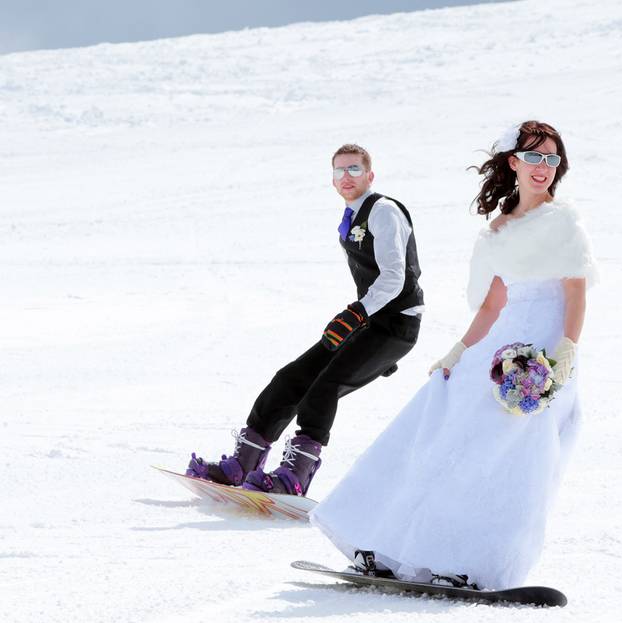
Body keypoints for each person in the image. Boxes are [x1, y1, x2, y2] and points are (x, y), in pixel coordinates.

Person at [309, 121, 597, 590]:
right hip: (501, 344)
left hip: (544, 352)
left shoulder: (563, 221)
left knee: (506, 458)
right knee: (438, 429)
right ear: (513, 162)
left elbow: (575, 295)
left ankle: (474, 563)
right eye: (534, 156)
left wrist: (564, 351)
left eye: (551, 158)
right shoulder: (501, 227)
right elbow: (491, 304)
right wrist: (460, 350)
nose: (543, 167)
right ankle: (389, 547)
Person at [186, 144, 425, 497]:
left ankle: (294, 477)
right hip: (369, 322)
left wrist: (363, 320)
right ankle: (243, 464)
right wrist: (362, 332)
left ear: (370, 175)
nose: (346, 177)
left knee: (323, 388)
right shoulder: (354, 215)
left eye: (354, 169)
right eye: (339, 171)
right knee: (291, 379)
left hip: (394, 323)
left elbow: (394, 277)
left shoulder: (383, 211)